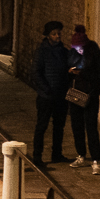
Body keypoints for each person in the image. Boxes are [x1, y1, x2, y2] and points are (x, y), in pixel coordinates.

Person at [67, 25, 100, 170]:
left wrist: (81, 73)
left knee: (91, 127)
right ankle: (81, 155)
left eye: (79, 47)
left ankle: (95, 160)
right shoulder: (73, 53)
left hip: (90, 95)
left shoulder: (96, 55)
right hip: (75, 95)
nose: (77, 50)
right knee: (77, 126)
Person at [31, 20, 74, 165]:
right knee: (42, 126)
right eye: (54, 34)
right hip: (46, 96)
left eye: (58, 33)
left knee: (59, 127)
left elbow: (68, 70)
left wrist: (70, 76)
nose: (57, 36)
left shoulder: (64, 52)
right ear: (48, 36)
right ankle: (37, 156)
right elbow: (36, 73)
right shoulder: (41, 52)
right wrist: (46, 89)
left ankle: (57, 154)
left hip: (61, 95)